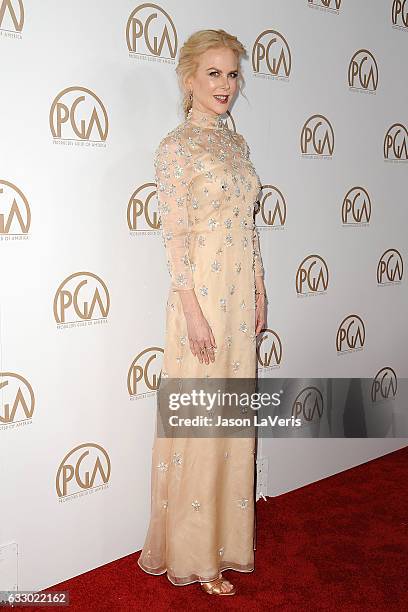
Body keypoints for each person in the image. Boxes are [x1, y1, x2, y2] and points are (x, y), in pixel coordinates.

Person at [137, 29, 266, 596]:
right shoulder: (175, 147)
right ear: (188, 79)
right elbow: (177, 238)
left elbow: (248, 226)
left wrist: (260, 288)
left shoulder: (236, 145)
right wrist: (191, 311)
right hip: (202, 300)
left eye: (233, 74)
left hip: (239, 298)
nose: (226, 85)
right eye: (214, 73)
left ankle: (227, 543)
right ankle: (194, 553)